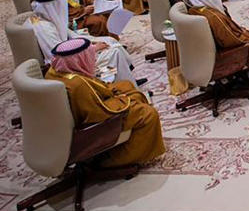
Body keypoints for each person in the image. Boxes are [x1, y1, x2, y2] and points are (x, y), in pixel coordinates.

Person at [45, 37, 164, 167]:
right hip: (97, 125)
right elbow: (100, 114)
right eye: (90, 56)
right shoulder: (78, 84)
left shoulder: (54, 71)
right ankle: (116, 159)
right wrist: (123, 98)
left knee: (126, 85)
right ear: (79, 60)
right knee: (148, 113)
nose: (94, 60)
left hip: (88, 107)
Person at [31, 0, 138, 84]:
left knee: (110, 41)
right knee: (114, 52)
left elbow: (72, 36)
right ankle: (117, 85)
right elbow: (59, 56)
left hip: (75, 53)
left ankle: (127, 80)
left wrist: (93, 42)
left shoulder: (51, 19)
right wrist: (93, 49)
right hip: (68, 65)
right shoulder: (44, 28)